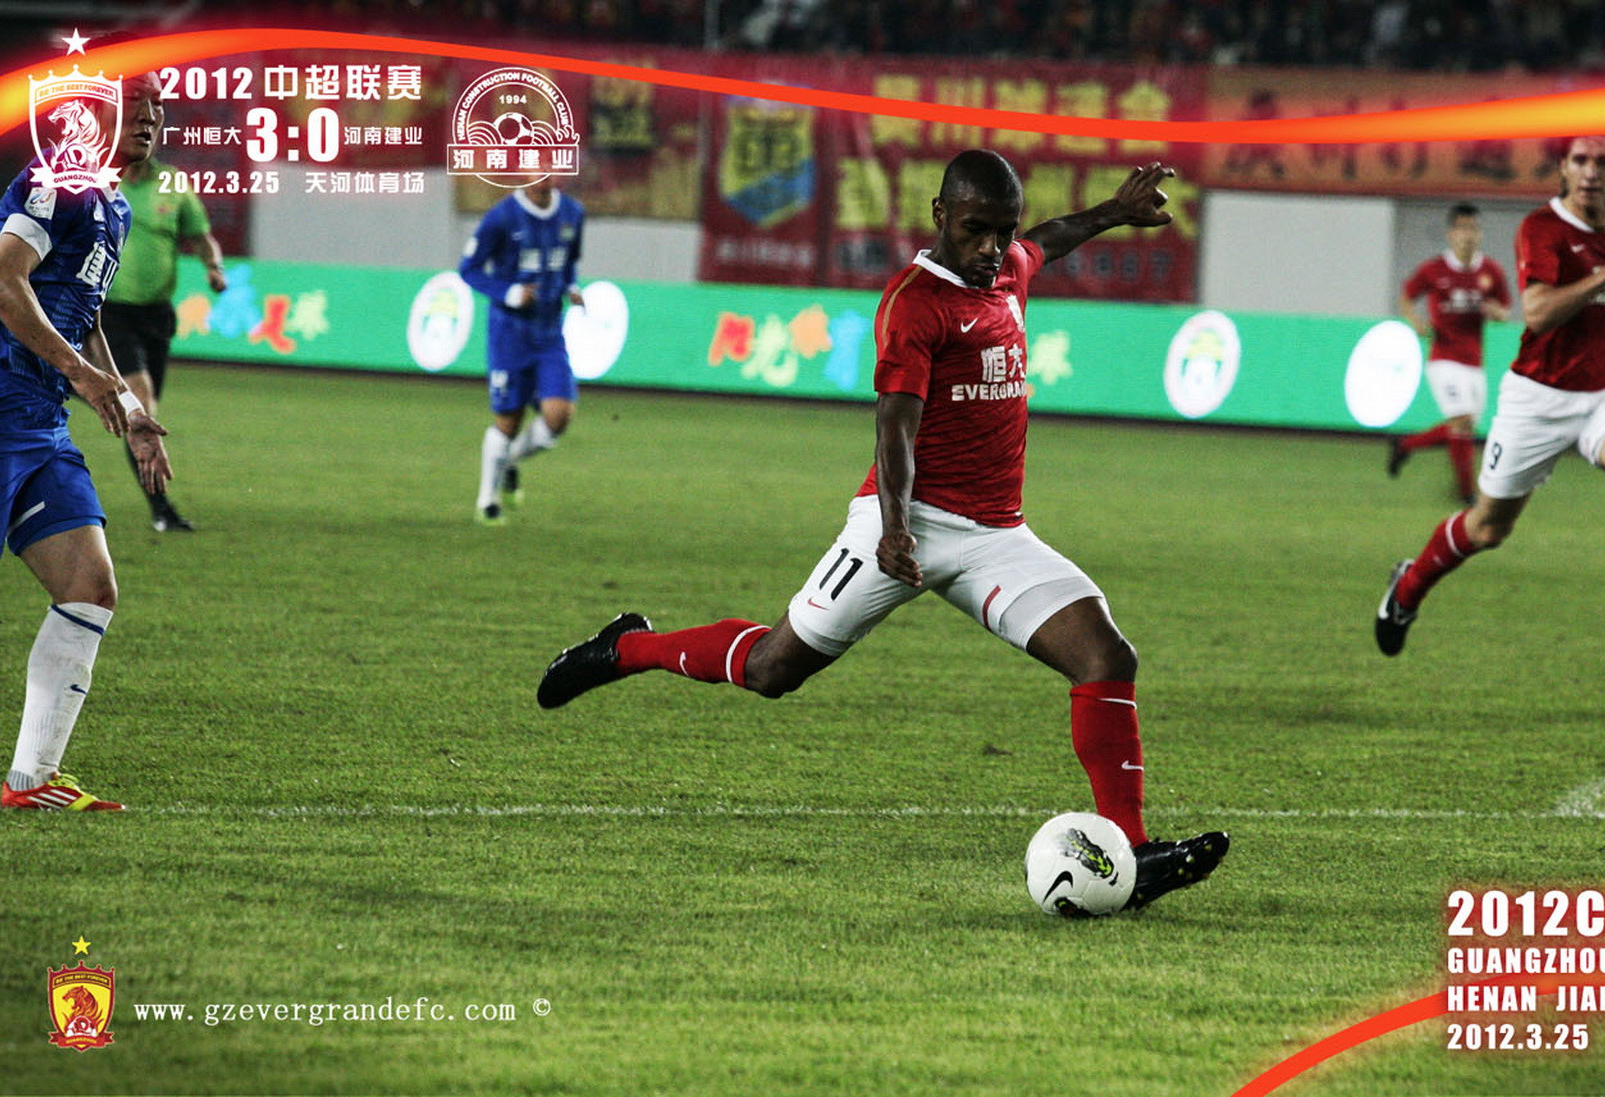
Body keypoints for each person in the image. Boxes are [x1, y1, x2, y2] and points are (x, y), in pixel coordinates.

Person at [537, 151, 1229, 911]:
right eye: (975, 230)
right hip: (903, 524)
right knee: (773, 669)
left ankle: (1130, 855)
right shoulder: (914, 303)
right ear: (939, 214)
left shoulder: (1007, 272)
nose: (992, 248)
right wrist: (896, 527)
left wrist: (1112, 211)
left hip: (995, 535)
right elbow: (895, 428)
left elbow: (1048, 240)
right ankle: (626, 647)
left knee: (1105, 655)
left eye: (1002, 231)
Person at [1375, 135, 1605, 666]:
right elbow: (1540, 312)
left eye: (1603, 162)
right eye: (1580, 161)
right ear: (1563, 170)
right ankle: (1407, 588)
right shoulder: (1541, 229)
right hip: (1538, 398)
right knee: (1487, 528)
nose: (1591, 172)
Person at [0, 73, 173, 811]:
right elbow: (2, 282)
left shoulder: (115, 206)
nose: (151, 122)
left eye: (159, 112)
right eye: (136, 110)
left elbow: (82, 310)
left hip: (43, 421)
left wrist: (123, 400)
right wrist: (83, 375)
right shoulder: (53, 181)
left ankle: (30, 780)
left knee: (90, 588)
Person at [102, 120, 226, 532]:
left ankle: (97, 395)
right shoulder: (98, 179)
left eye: (152, 129)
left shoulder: (173, 183)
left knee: (144, 406)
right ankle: (159, 507)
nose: (146, 136)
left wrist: (213, 267)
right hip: (110, 313)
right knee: (141, 402)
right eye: (138, 126)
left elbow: (202, 235)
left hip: (156, 315)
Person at [458, 175, 584, 524]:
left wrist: (571, 286)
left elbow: (568, 261)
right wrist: (509, 293)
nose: (544, 175)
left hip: (549, 334)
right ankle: (488, 501)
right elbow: (468, 270)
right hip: (509, 335)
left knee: (558, 417)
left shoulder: (573, 213)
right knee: (508, 421)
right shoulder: (501, 217)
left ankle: (509, 460)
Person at [1387, 202, 1512, 503]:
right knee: (1462, 421)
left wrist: (1494, 311)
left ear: (1479, 234)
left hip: (1474, 362)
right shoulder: (1434, 270)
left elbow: (1505, 310)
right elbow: (1406, 296)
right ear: (1451, 233)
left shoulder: (1490, 271)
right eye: (1462, 229)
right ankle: (1467, 492)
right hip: (1443, 358)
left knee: (1463, 429)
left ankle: (1406, 445)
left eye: (1473, 229)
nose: (1468, 235)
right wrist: (1415, 320)